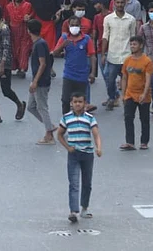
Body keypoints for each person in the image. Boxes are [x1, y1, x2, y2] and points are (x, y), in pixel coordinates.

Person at [58, 92, 102, 223]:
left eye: (80, 102)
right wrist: (67, 147)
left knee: (87, 182)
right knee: (74, 183)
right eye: (75, 102)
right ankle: (73, 211)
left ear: (85, 103)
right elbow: (59, 135)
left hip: (87, 154)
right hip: (73, 154)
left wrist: (98, 147)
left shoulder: (89, 118)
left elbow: (96, 134)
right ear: (71, 103)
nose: (77, 104)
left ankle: (84, 208)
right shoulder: (66, 118)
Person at [0, 5, 26, 124]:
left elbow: (6, 47)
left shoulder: (4, 28)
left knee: (6, 90)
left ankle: (19, 104)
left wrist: (2, 65)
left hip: (3, 63)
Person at [52, 14, 97, 118]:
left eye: (76, 25)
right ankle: (66, 121)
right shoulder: (64, 38)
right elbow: (54, 53)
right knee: (65, 99)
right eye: (72, 25)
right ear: (68, 26)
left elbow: (92, 56)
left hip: (82, 76)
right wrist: (63, 45)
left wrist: (92, 73)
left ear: (80, 26)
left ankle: (80, 122)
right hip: (68, 75)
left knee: (80, 102)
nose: (74, 27)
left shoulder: (86, 39)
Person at [101, 0, 136, 110]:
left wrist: (135, 55)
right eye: (118, 2)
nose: (120, 5)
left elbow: (133, 37)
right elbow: (105, 36)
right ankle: (112, 98)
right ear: (114, 3)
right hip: (113, 56)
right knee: (110, 80)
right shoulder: (108, 19)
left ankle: (126, 100)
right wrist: (103, 54)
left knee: (128, 81)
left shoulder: (131, 19)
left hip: (127, 56)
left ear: (125, 3)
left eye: (122, 2)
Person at [120, 35, 153, 151]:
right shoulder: (127, 60)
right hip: (130, 94)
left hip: (143, 95)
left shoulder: (147, 61)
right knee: (128, 117)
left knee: (144, 119)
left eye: (135, 44)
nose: (132, 46)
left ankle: (144, 142)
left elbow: (148, 78)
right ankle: (130, 142)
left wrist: (144, 94)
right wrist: (123, 94)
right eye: (131, 44)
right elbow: (124, 77)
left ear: (141, 46)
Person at [25, 20, 55, 144]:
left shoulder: (39, 44)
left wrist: (35, 81)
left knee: (42, 107)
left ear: (29, 31)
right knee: (31, 107)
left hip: (41, 81)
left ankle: (49, 135)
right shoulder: (39, 43)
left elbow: (42, 64)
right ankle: (50, 125)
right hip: (38, 80)